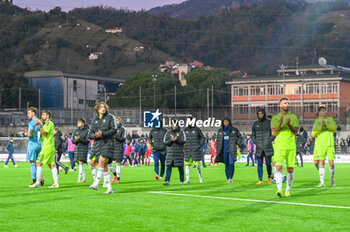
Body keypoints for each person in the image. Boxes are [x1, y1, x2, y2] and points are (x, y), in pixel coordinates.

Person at [271, 97, 299, 197]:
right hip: (279, 146)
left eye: (287, 103)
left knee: (290, 169)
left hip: (291, 145)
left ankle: (287, 190)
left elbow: (296, 132)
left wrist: (289, 124)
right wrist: (280, 124)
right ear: (280, 105)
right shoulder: (275, 118)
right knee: (278, 167)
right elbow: (273, 132)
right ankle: (279, 190)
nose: (286, 104)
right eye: (284, 103)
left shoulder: (294, 117)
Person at [89, 102, 117, 194]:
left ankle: (96, 182)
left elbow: (114, 130)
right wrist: (95, 135)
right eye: (101, 107)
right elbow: (90, 134)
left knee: (101, 160)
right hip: (98, 144)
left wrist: (103, 133)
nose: (103, 108)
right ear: (97, 109)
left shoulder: (110, 117)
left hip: (108, 143)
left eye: (104, 107)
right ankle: (109, 189)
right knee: (104, 166)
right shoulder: (95, 120)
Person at [29, 110, 60, 188]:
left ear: (48, 116)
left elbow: (45, 133)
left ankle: (38, 182)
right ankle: (56, 183)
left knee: (39, 162)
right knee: (51, 165)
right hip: (49, 148)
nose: (42, 116)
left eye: (43, 115)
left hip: (47, 148)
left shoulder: (49, 123)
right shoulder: (46, 124)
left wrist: (39, 126)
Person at [312, 105, 337, 187]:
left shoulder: (330, 120)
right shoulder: (317, 121)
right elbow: (313, 134)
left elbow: (334, 129)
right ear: (319, 112)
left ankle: (332, 179)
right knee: (321, 162)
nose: (324, 112)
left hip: (330, 144)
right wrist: (321, 127)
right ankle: (322, 182)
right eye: (322, 110)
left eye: (325, 110)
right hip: (321, 145)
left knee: (331, 163)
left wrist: (327, 126)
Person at [215, 117, 243, 184]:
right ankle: (228, 179)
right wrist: (218, 149)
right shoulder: (220, 131)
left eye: (227, 121)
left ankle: (231, 178)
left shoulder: (234, 130)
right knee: (226, 165)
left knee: (231, 164)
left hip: (232, 150)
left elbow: (240, 137)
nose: (226, 123)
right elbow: (218, 141)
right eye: (224, 122)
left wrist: (238, 143)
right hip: (224, 151)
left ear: (229, 122)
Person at [251, 108, 274, 185]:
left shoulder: (269, 122)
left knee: (268, 163)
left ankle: (269, 177)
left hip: (267, 147)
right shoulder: (255, 124)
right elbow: (253, 135)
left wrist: (269, 141)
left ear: (264, 114)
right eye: (259, 114)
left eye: (261, 113)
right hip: (259, 147)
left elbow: (274, 133)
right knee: (259, 164)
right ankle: (260, 179)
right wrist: (255, 142)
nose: (260, 115)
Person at [163, 120, 186, 186]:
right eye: (173, 125)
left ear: (178, 125)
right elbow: (165, 142)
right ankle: (167, 181)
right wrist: (171, 140)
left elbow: (184, 141)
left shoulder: (181, 132)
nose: (174, 126)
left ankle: (182, 181)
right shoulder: (168, 133)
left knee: (180, 167)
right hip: (170, 153)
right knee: (168, 167)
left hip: (179, 153)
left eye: (176, 125)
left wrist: (177, 140)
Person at [184, 118, 205, 183]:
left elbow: (202, 137)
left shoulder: (197, 129)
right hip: (187, 150)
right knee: (187, 164)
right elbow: (182, 139)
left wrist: (199, 145)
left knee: (197, 165)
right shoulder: (185, 130)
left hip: (195, 150)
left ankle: (200, 178)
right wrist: (183, 147)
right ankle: (187, 179)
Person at [26, 107, 43, 185]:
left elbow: (30, 134)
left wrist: (26, 134)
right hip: (40, 144)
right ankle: (40, 179)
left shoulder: (31, 122)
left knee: (32, 162)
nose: (28, 114)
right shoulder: (40, 122)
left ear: (33, 113)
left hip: (32, 144)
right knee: (39, 163)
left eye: (29, 113)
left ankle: (34, 181)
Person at [72, 118, 90, 183]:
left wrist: (80, 139)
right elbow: (73, 141)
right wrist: (76, 140)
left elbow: (87, 141)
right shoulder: (76, 130)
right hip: (77, 148)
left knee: (80, 163)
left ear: (83, 124)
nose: (78, 124)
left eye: (79, 123)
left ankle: (79, 179)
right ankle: (84, 178)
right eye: (78, 122)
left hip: (84, 148)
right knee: (80, 164)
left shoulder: (87, 131)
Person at [111, 116, 126, 183]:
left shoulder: (123, 129)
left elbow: (123, 139)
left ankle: (118, 178)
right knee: (108, 163)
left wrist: (116, 137)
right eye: (115, 120)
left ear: (120, 121)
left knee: (118, 163)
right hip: (111, 147)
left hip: (119, 147)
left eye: (117, 120)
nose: (116, 121)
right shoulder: (112, 129)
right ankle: (114, 174)